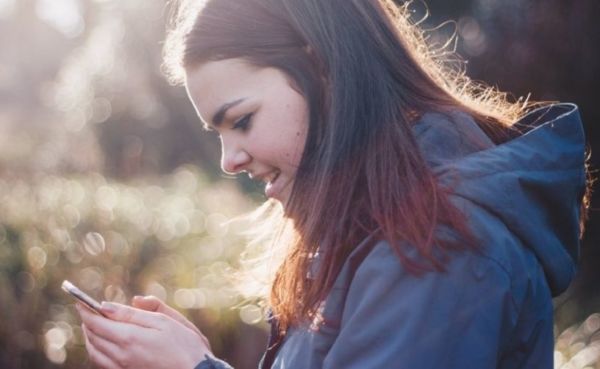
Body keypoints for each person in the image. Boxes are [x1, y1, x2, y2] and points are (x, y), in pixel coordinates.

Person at [76, 0, 590, 368]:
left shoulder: (439, 245)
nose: (230, 160)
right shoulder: (380, 227)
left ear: (320, 68)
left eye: (242, 120)